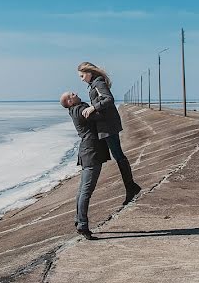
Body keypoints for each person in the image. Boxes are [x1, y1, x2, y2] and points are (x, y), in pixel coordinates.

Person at [77, 61, 142, 205]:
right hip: (105, 126)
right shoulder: (94, 84)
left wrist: (93, 108)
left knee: (118, 155)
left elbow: (109, 99)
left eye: (82, 76)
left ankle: (131, 187)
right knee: (117, 155)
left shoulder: (98, 82)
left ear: (89, 73)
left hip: (108, 126)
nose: (81, 79)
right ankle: (131, 187)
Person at [60, 90, 111, 239]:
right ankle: (82, 224)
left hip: (88, 151)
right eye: (72, 94)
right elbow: (102, 116)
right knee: (86, 191)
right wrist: (99, 102)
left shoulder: (76, 109)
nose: (75, 93)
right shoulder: (80, 110)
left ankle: (79, 221)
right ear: (70, 101)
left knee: (83, 190)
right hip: (91, 153)